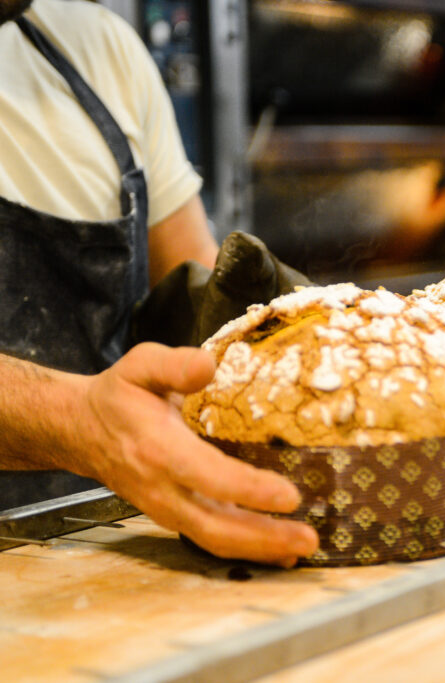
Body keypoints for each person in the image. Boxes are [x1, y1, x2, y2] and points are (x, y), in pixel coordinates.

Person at [0, 0, 318, 566]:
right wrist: (77, 422)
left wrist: (261, 325)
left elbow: (193, 284)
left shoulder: (99, 50)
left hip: (106, 542)